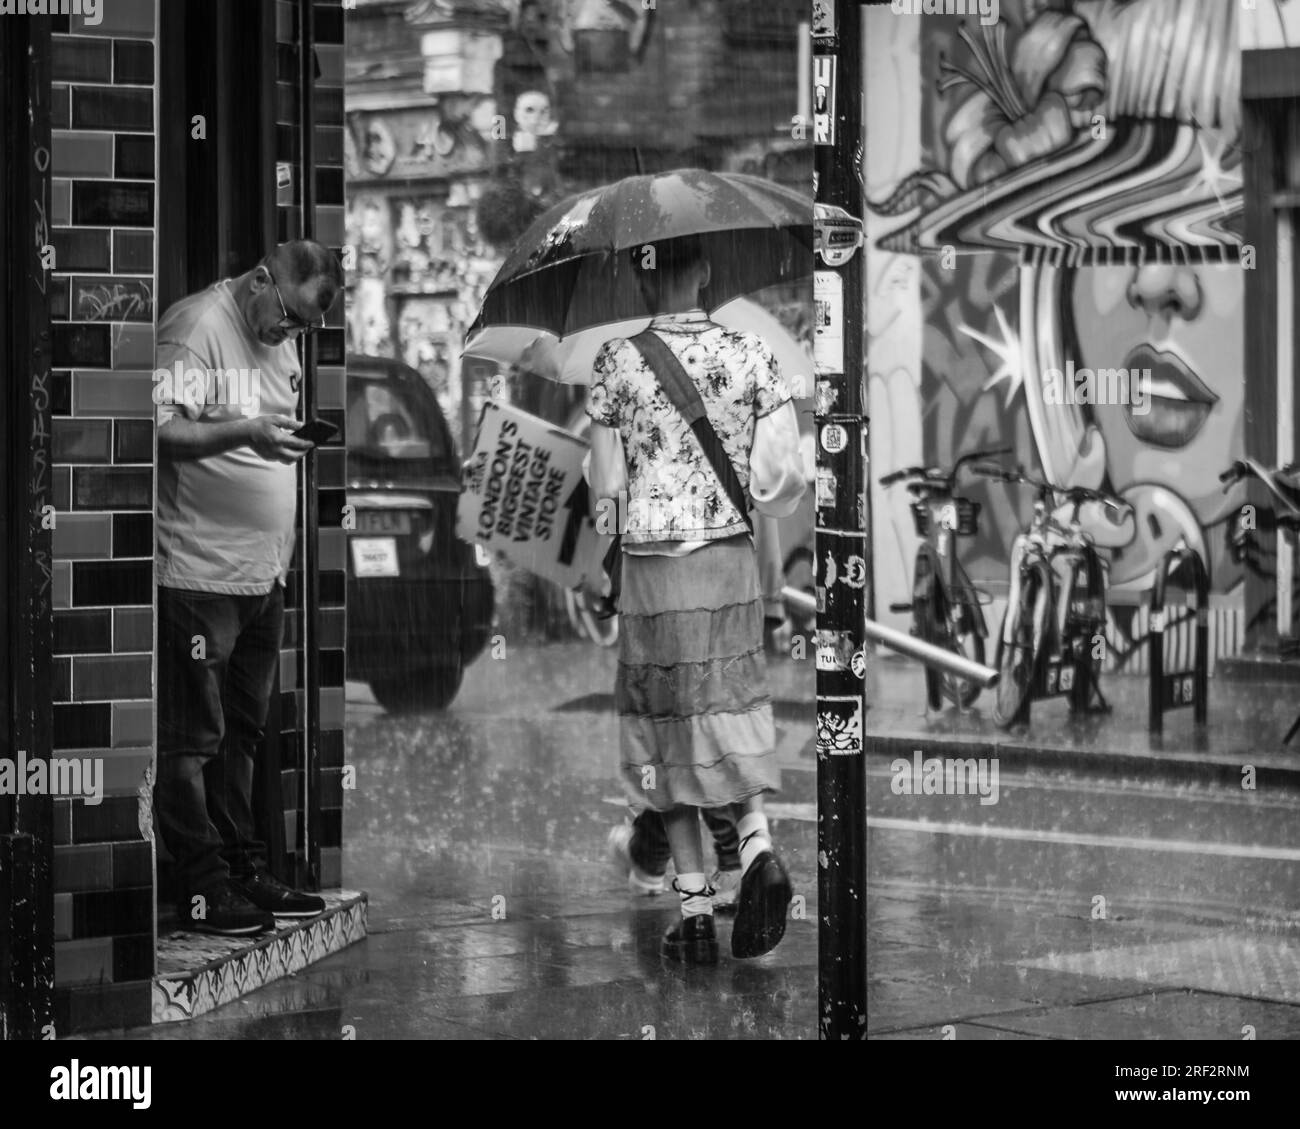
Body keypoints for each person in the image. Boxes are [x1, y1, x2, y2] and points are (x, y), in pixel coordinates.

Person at [587, 235, 806, 963]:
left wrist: (619, 524)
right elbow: (780, 479)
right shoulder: (753, 354)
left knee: (664, 733)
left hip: (653, 571)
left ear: (640, 278)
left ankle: (696, 916)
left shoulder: (616, 362)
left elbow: (606, 491)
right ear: (706, 271)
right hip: (730, 564)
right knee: (728, 707)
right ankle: (756, 845)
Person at [154, 240, 343, 936]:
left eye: (304, 328)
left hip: (263, 578)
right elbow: (158, 430)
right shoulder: (197, 327)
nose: (289, 334)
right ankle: (202, 890)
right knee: (192, 740)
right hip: (199, 572)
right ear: (261, 280)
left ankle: (241, 869)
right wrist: (247, 436)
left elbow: (269, 433)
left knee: (242, 736)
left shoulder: (281, 340)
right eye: (288, 317)